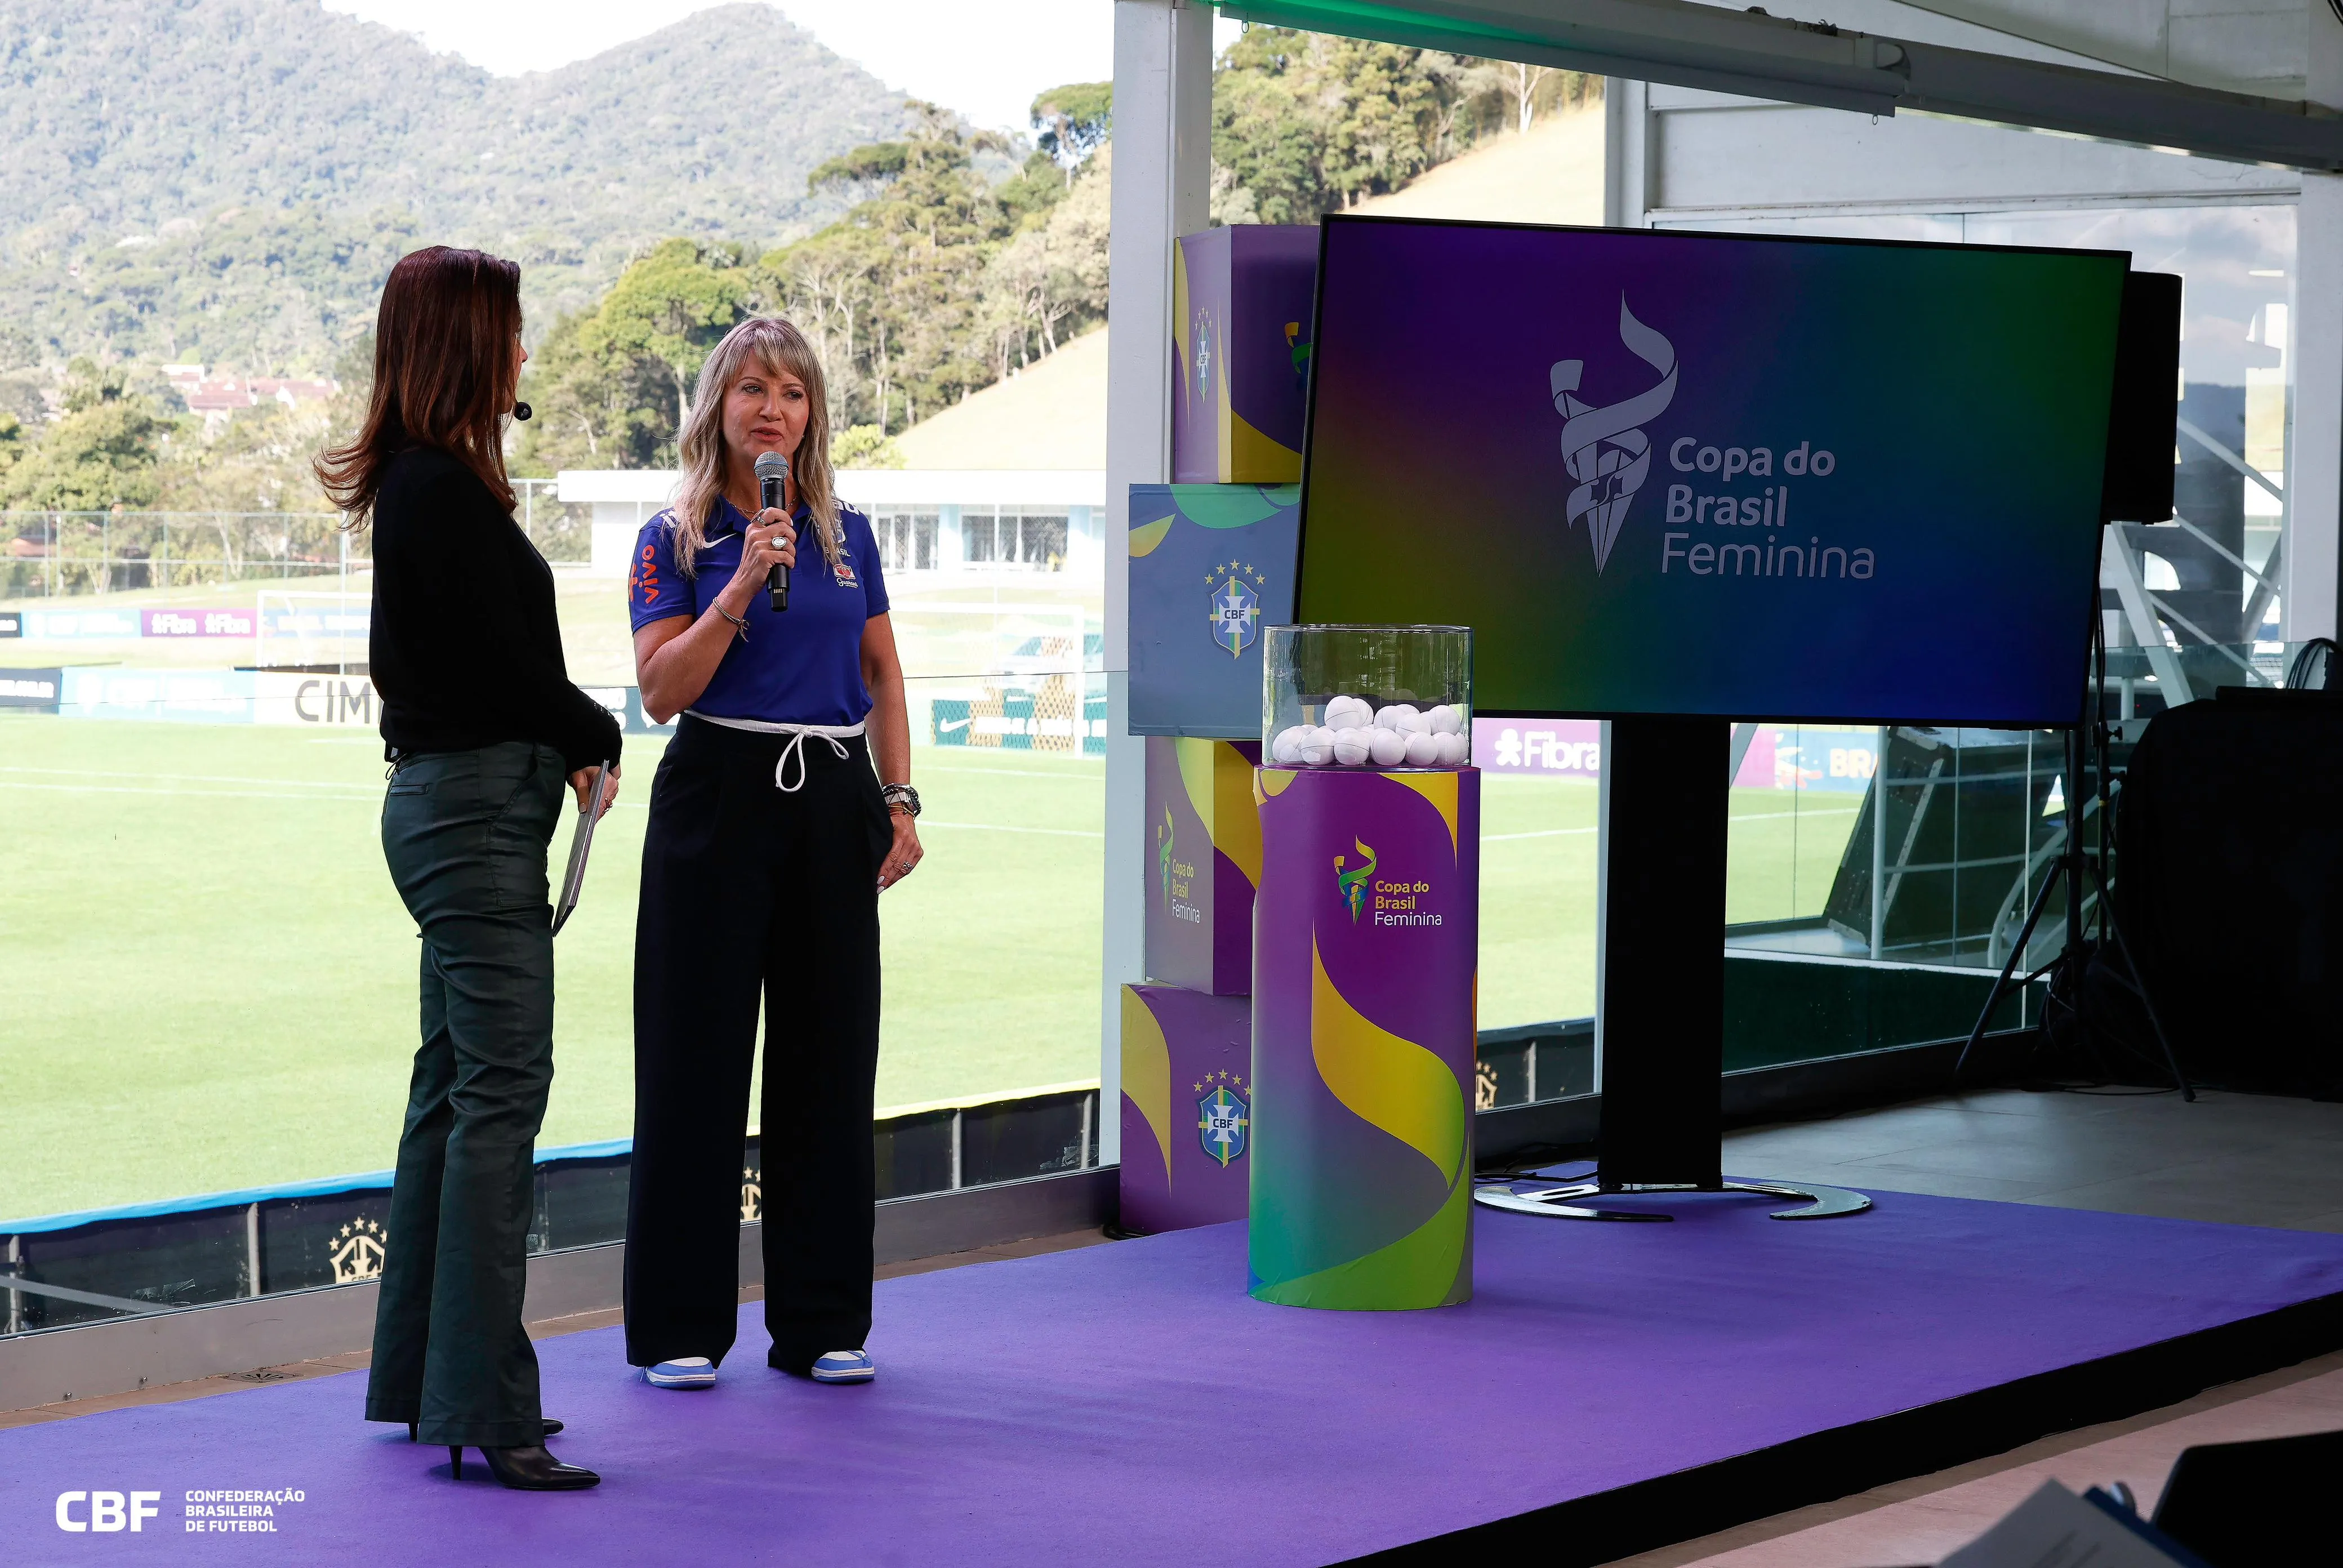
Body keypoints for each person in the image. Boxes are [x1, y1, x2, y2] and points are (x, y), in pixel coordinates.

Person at [317, 245, 620, 1491]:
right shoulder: (441, 493)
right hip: (476, 817)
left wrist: (567, 734)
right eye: (511, 333)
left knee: (453, 1093)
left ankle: (431, 1384)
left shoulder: (425, 487)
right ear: (469, 348)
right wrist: (594, 732)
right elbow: (506, 679)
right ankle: (489, 1409)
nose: (524, 355)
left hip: (453, 813)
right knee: (499, 1103)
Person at [622, 316, 922, 1392]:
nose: (774, 409)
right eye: (753, 388)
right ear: (718, 408)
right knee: (694, 1066)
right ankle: (679, 1331)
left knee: (830, 1064)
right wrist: (742, 584)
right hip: (717, 795)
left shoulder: (848, 532)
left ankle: (823, 1323)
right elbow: (660, 694)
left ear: (813, 413)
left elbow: (883, 672)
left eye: (793, 392)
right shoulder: (673, 537)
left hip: (834, 796)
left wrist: (899, 800)